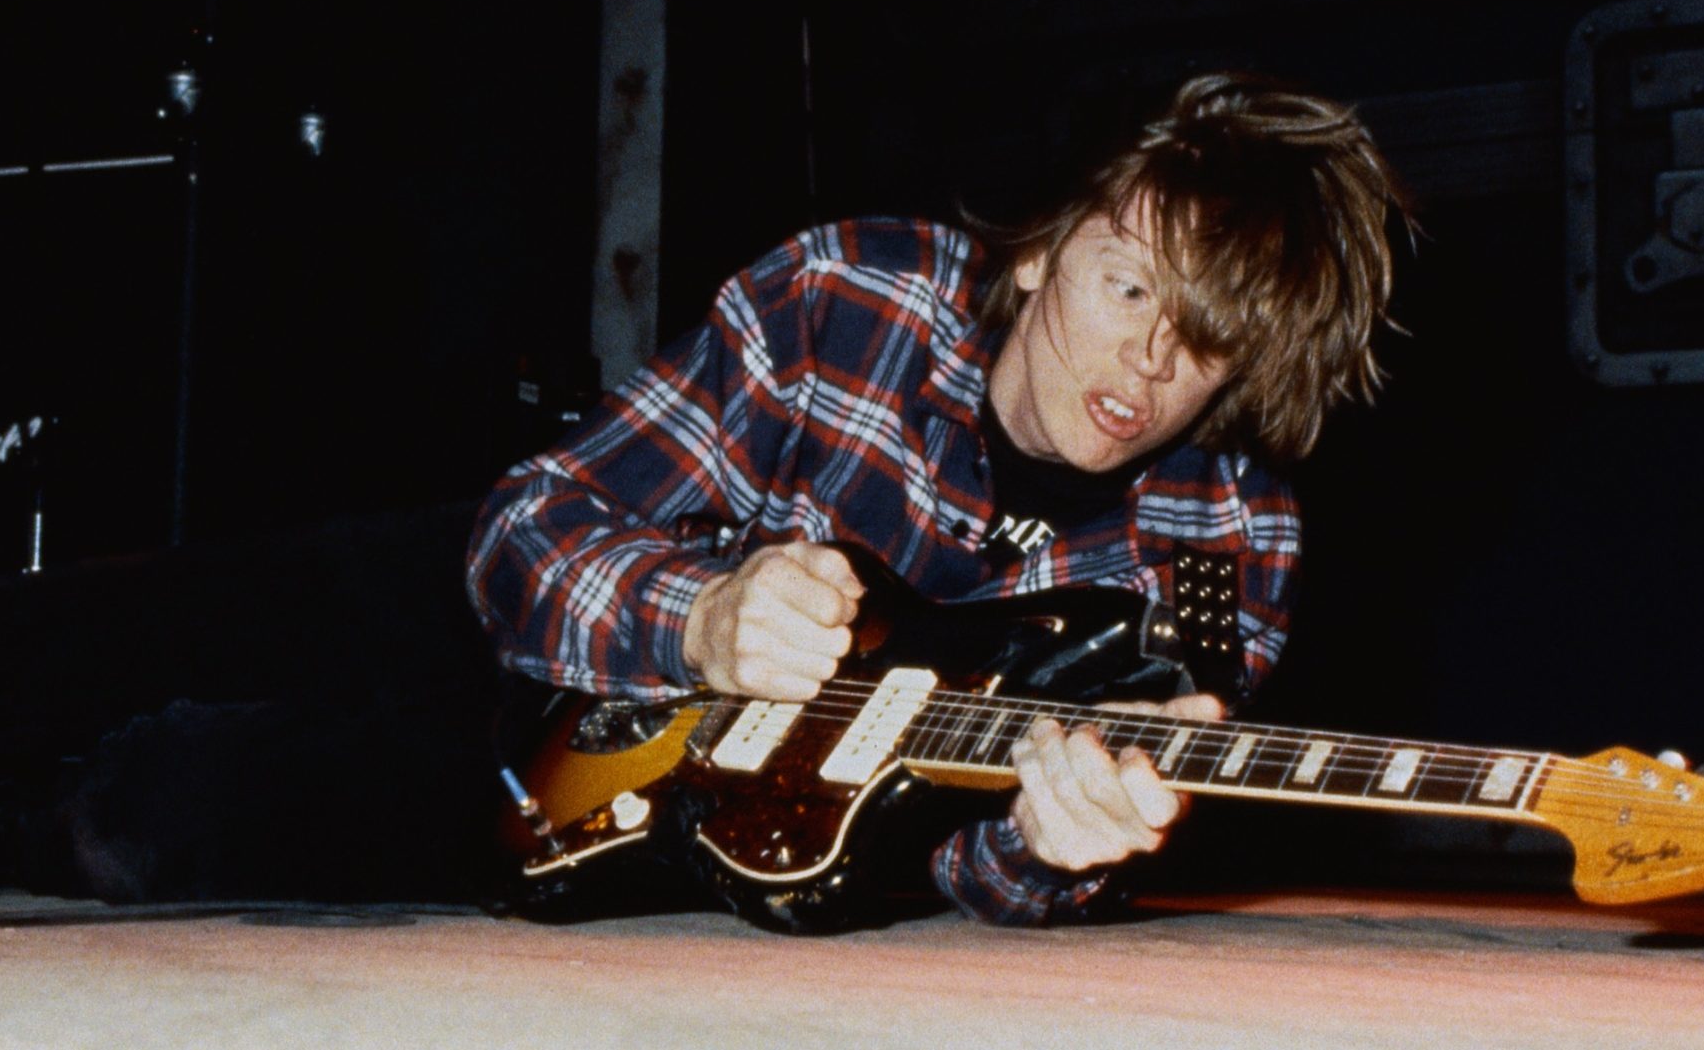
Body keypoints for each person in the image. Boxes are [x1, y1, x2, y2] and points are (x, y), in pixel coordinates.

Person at [467, 71, 1409, 925]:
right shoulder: (845, 298)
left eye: (1211, 334)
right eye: (1129, 289)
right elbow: (519, 530)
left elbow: (969, 866)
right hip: (556, 791)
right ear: (1040, 249)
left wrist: (1054, 844)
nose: (1152, 360)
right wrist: (700, 617)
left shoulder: (1232, 538)